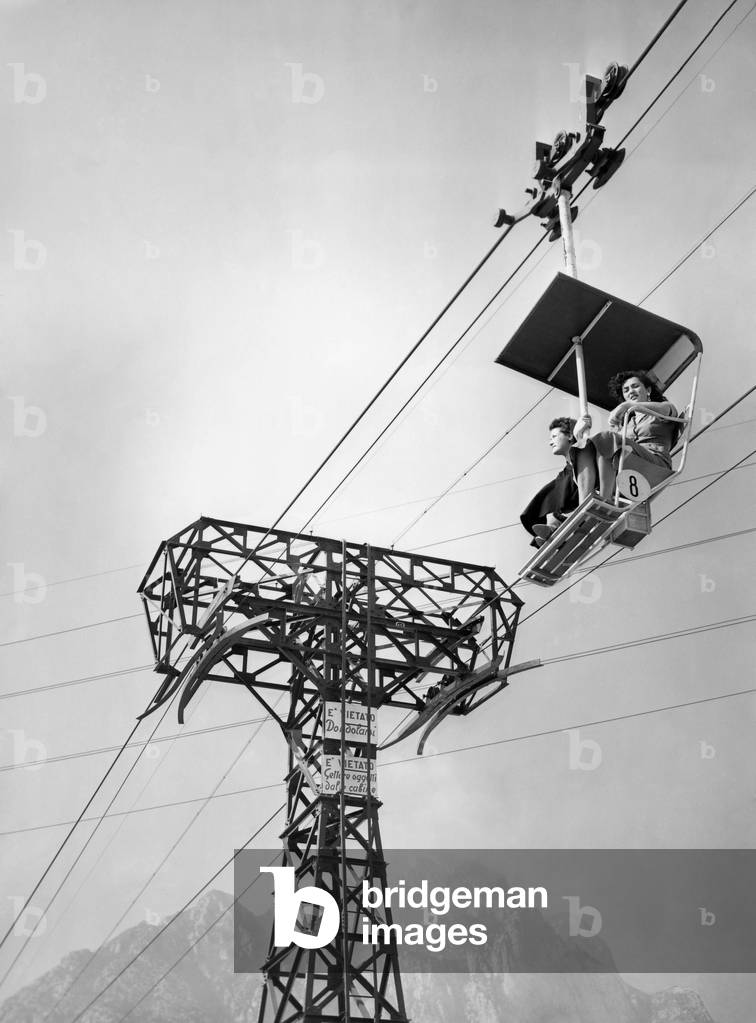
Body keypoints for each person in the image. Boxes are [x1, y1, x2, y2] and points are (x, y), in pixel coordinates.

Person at [571, 371, 680, 503]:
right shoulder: (627, 423)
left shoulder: (664, 408)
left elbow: (667, 411)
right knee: (584, 447)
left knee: (606, 438)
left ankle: (606, 500)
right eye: (626, 390)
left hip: (655, 464)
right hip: (629, 463)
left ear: (648, 390)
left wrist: (626, 405)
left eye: (635, 386)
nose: (631, 391)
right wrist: (580, 437)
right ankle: (586, 503)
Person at [520, 417, 580, 546]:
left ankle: (555, 524)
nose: (550, 442)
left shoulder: (582, 454)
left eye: (554, 437)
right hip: (568, 475)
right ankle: (551, 529)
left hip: (578, 485)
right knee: (544, 497)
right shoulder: (565, 473)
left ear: (569, 436)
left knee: (558, 488)